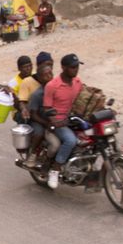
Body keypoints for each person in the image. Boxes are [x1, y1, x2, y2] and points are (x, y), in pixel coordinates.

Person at [43, 54, 84, 189]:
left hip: (73, 118)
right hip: (59, 121)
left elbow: (85, 98)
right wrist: (55, 122)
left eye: (77, 66)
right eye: (73, 67)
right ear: (63, 67)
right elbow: (47, 109)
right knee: (70, 140)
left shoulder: (78, 82)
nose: (76, 69)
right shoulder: (52, 85)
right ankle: (56, 168)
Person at [23, 64, 60, 168]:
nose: (49, 77)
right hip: (38, 119)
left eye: (50, 73)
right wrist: (46, 123)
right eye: (45, 75)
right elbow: (33, 115)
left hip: (51, 119)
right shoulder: (37, 94)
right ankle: (32, 154)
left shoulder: (56, 89)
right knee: (39, 133)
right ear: (39, 78)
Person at [8, 56, 32, 122]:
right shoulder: (13, 83)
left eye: (30, 66)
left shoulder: (34, 76)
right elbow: (15, 105)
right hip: (18, 111)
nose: (28, 69)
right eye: (25, 67)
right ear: (19, 68)